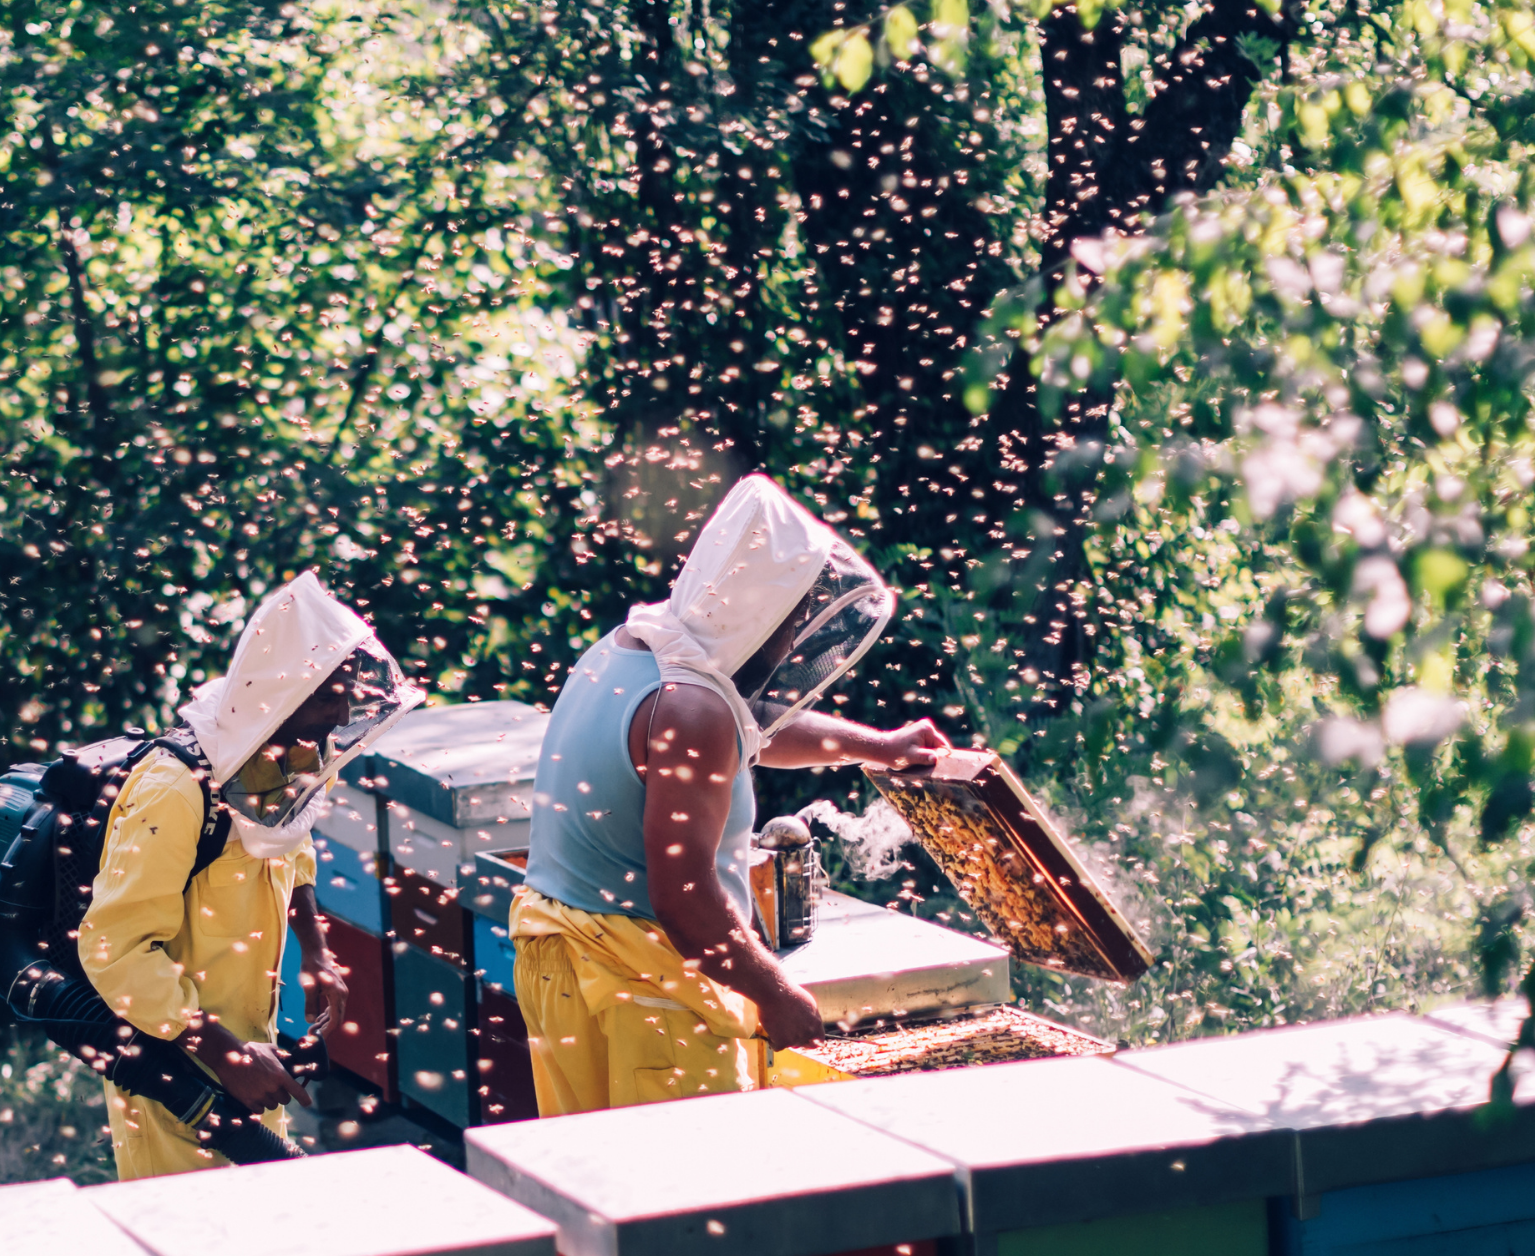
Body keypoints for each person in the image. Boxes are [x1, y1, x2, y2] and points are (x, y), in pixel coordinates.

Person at [512, 475, 944, 1115]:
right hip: (641, 985)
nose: (797, 633)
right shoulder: (691, 711)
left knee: (602, 1193)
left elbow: (748, 729)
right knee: (684, 1203)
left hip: (564, 959)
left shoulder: (637, 649)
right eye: (794, 614)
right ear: (758, 605)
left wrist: (878, 745)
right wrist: (774, 991)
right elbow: (685, 901)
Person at [79, 571, 420, 1179]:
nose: (341, 712)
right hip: (175, 1069)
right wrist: (222, 1054)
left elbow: (290, 842)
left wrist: (316, 950)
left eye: (347, 694)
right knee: (193, 1242)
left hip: (250, 1055)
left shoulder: (283, 759)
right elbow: (115, 949)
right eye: (326, 697)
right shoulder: (175, 793)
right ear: (278, 698)